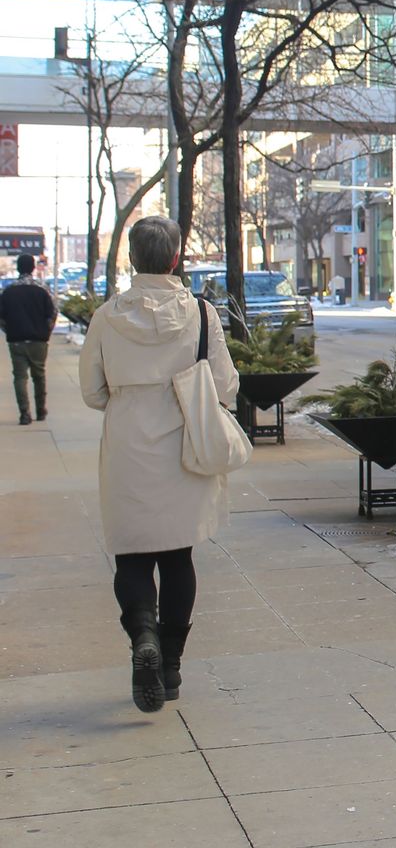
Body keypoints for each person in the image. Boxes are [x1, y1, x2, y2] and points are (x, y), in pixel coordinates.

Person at [80, 216, 242, 713]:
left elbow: (92, 392)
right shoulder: (200, 313)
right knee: (177, 557)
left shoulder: (107, 317)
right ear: (175, 258)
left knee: (131, 554)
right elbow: (226, 384)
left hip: (128, 447)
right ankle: (169, 664)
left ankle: (143, 637)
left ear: (132, 258)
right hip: (184, 447)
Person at [1, 252, 56, 425]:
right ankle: (41, 410)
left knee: (20, 376)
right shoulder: (42, 289)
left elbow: (1, 317)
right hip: (39, 340)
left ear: (18, 268)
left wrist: (9, 330)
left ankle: (24, 413)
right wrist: (47, 331)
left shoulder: (8, 292)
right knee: (39, 375)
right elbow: (53, 313)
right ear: (33, 267)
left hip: (16, 339)